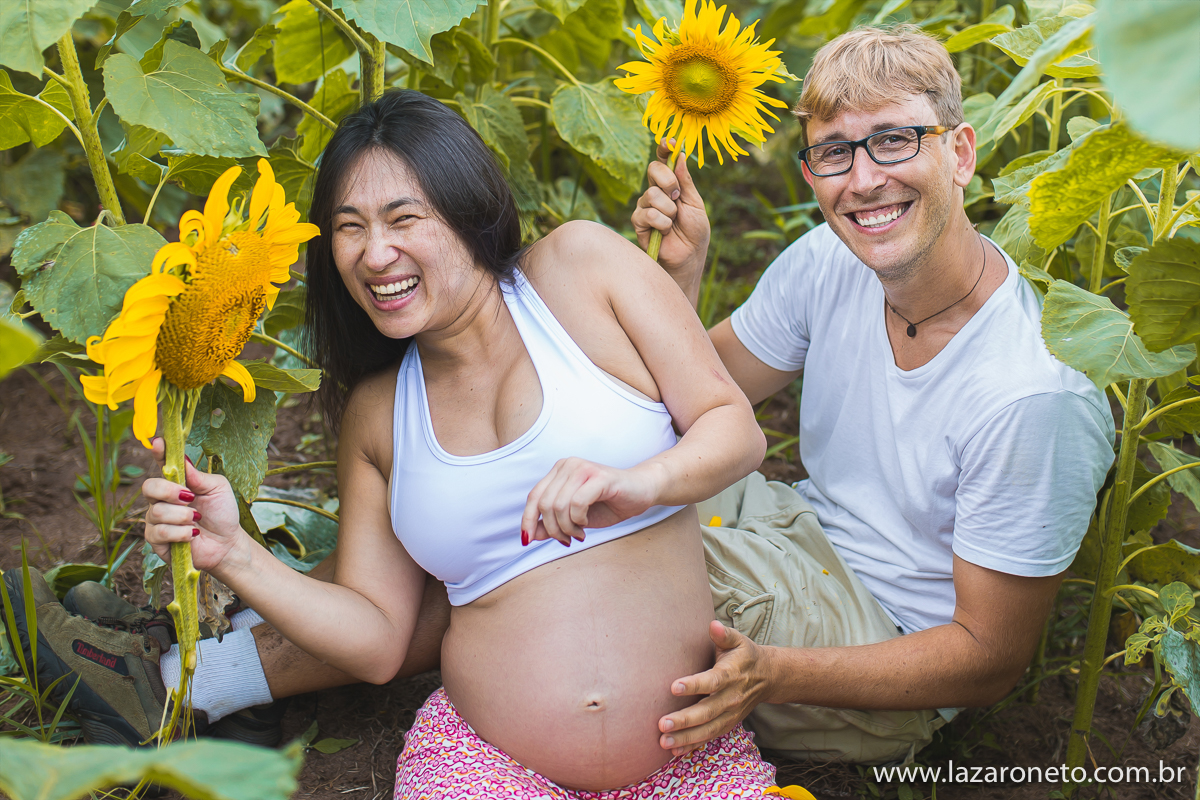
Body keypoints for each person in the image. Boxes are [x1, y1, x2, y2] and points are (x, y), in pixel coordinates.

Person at [6, 90, 777, 797]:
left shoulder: (580, 268)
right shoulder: (381, 413)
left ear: (469, 210)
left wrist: (639, 482)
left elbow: (732, 427)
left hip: (692, 761)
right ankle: (186, 670)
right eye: (349, 228)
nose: (375, 255)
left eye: (405, 219)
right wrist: (234, 551)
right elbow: (378, 638)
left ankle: (193, 673)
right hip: (488, 767)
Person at [628, 24, 1115, 764]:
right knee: (604, 471)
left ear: (960, 153)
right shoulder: (831, 258)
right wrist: (682, 277)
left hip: (881, 651)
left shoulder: (1032, 392)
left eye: (894, 140)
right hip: (798, 534)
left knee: (606, 548)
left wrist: (775, 676)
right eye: (834, 152)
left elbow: (989, 657)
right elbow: (686, 404)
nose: (862, 180)